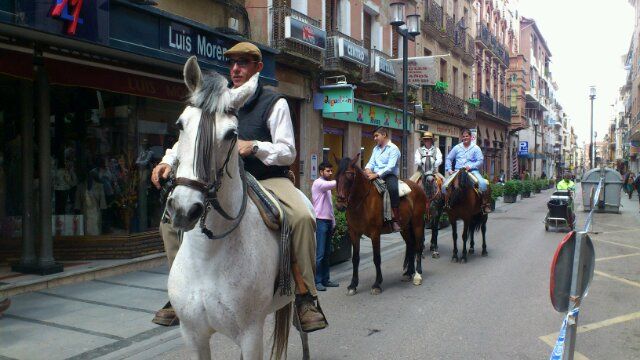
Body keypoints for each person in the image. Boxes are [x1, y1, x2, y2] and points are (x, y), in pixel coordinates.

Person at [150, 42, 327, 332]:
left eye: (243, 62)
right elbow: (191, 138)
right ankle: (178, 295)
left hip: (269, 178)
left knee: (303, 217)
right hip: (223, 181)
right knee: (171, 221)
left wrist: (254, 146)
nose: (235, 69)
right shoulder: (216, 100)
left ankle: (306, 296)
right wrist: (168, 160)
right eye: (232, 63)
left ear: (258, 67)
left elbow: (288, 151)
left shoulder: (274, 102)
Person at [444, 129, 492, 214]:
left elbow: (480, 161)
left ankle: (485, 205)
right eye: (463, 136)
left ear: (471, 137)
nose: (465, 138)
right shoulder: (457, 147)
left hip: (472, 171)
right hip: (458, 171)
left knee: (483, 184)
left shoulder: (476, 148)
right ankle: (446, 205)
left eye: (467, 136)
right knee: (444, 186)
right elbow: (449, 158)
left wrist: (471, 166)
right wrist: (449, 169)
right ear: (461, 138)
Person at [364, 126, 402, 232]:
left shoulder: (393, 148)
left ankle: (395, 219)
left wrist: (376, 175)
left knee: (393, 189)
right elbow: (371, 162)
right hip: (374, 173)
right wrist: (367, 169)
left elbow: (390, 166)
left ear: (384, 135)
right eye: (374, 136)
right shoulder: (375, 149)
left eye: (376, 136)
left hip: (389, 175)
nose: (375, 138)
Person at [311, 162, 339, 292]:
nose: (330, 173)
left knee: (327, 253)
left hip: (327, 221)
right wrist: (342, 177)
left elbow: (330, 206)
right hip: (320, 221)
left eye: (331, 171)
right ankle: (317, 281)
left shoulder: (326, 188)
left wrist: (333, 221)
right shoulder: (318, 183)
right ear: (321, 172)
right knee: (320, 254)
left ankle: (326, 279)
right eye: (328, 171)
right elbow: (332, 184)